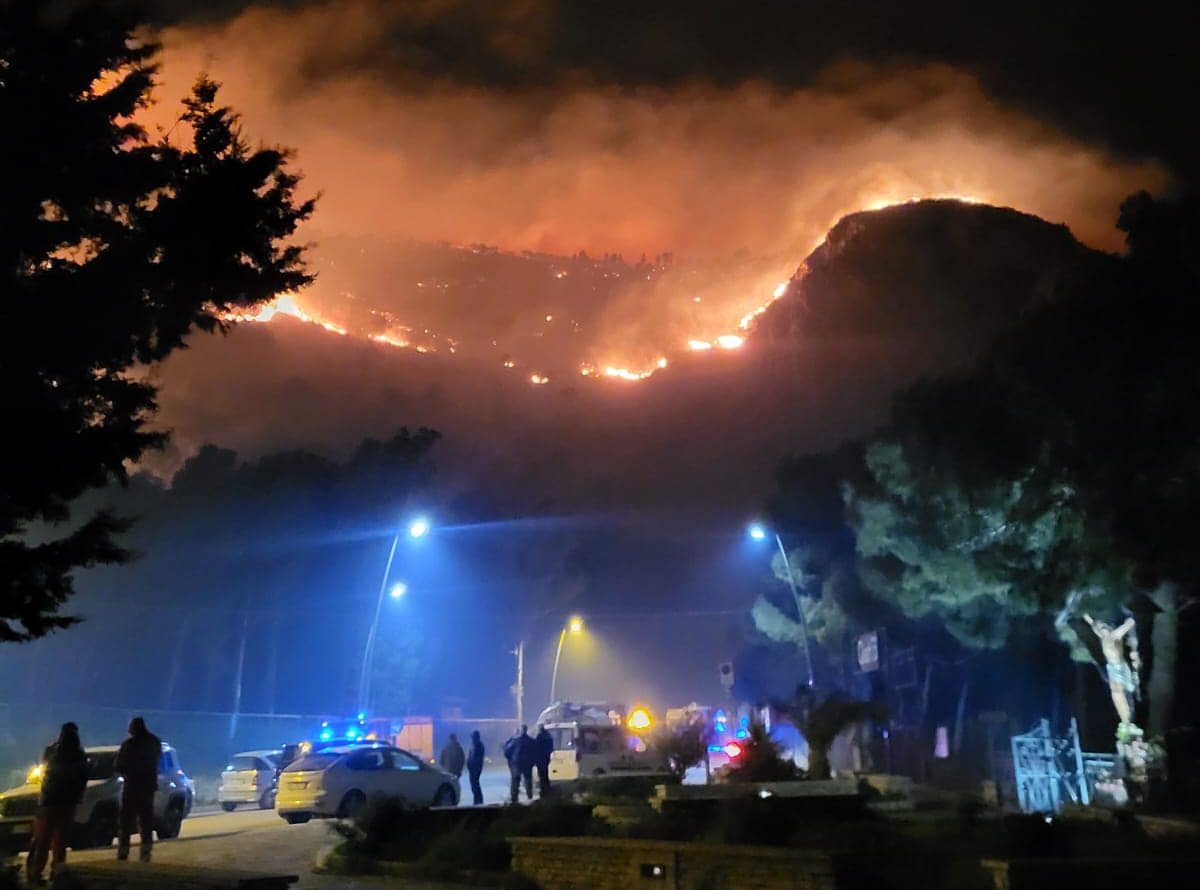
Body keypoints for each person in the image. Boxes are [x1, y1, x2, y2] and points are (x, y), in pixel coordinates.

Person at [26, 723, 89, 883]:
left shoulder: (51, 751)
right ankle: (58, 872)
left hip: (49, 801)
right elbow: (82, 777)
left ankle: (36, 873)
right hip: (67, 802)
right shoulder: (78, 754)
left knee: (43, 839)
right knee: (60, 839)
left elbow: (46, 771)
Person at [115, 716, 161, 862]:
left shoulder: (129, 744)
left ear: (133, 728)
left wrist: (127, 772)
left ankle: (123, 852)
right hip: (147, 787)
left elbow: (119, 766)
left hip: (132, 787)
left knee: (126, 821)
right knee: (146, 821)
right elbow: (156, 761)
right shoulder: (154, 742)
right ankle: (146, 852)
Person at [503, 724, 535, 804]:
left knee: (515, 780)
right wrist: (533, 761)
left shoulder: (515, 740)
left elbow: (507, 750)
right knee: (528, 780)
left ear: (521, 730)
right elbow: (535, 752)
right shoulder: (531, 741)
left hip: (517, 764)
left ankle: (514, 798)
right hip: (527, 764)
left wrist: (510, 760)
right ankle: (529, 797)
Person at [466, 730, 485, 806]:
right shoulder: (474, 745)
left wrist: (470, 764)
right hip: (473, 768)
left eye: (473, 737)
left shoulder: (478, 745)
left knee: (475, 783)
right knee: (474, 783)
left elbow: (475, 758)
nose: (472, 738)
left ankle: (478, 800)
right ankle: (477, 799)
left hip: (475, 768)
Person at [534, 724, 554, 797]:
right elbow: (551, 748)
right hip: (546, 758)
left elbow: (536, 747)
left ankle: (543, 791)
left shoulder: (539, 736)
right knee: (545, 774)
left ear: (540, 729)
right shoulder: (549, 736)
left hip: (540, 759)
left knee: (541, 776)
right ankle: (547, 790)